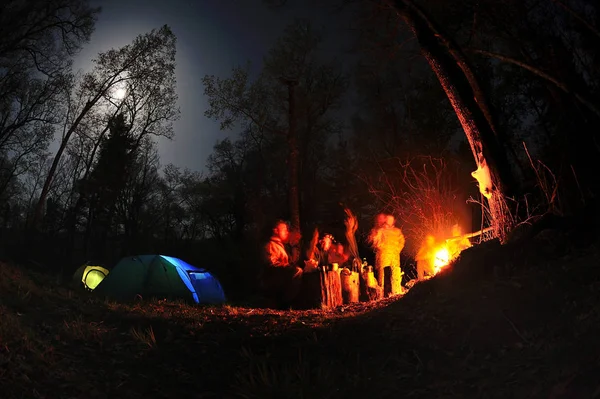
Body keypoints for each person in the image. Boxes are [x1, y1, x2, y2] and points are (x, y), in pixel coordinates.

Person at [261, 220, 303, 307]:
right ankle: (284, 303)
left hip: (281, 276)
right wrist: (289, 268)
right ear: (276, 231)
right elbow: (271, 265)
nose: (286, 232)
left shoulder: (281, 246)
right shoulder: (270, 245)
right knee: (297, 271)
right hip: (272, 280)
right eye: (284, 229)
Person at [368, 213, 405, 296]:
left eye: (390, 220)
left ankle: (396, 292)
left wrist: (397, 249)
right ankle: (383, 293)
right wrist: (382, 247)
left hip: (395, 256)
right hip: (384, 256)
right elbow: (375, 242)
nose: (388, 221)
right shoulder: (380, 230)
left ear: (393, 221)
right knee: (383, 274)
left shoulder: (397, 231)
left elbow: (402, 241)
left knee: (395, 273)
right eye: (387, 219)